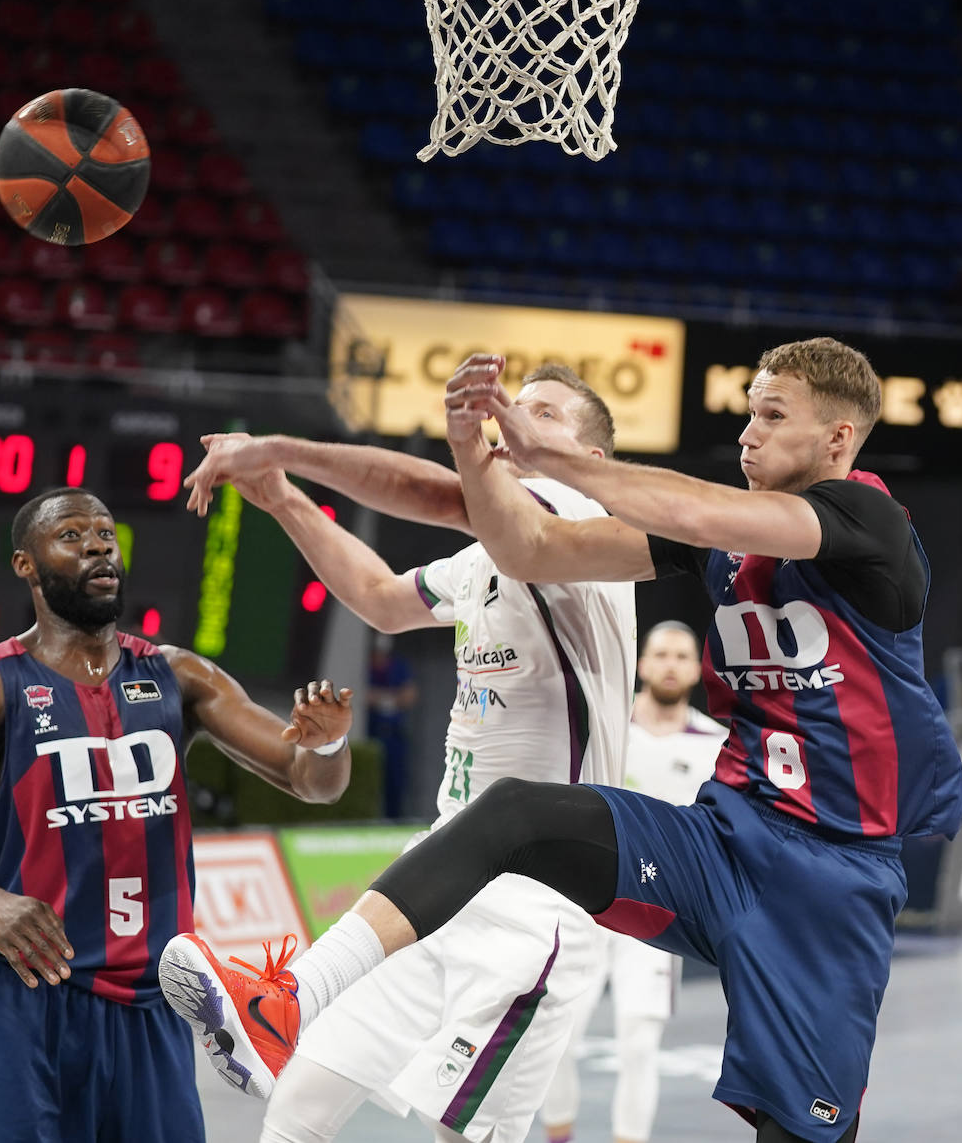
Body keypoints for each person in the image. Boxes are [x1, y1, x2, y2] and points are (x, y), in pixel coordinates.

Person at [162, 337, 962, 1143]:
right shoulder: (683, 534)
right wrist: (463, 450)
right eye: (747, 412)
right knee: (514, 813)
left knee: (803, 1132)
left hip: (830, 876)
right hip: (727, 837)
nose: (748, 432)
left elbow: (684, 507)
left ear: (837, 439)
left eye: (772, 415)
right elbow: (514, 546)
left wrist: (540, 458)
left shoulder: (868, 520)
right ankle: (290, 996)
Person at [159, 363, 637, 1143]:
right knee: (300, 1103)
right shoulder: (481, 561)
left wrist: (277, 450)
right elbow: (380, 596)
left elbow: (442, 494)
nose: (517, 422)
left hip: (535, 903)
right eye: (514, 409)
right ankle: (278, 1007)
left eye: (545, 414)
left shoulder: (578, 525)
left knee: (462, 1137)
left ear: (594, 461)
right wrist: (279, 496)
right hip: (438, 879)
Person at [0, 487, 355, 1143]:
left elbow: (311, 781)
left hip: (149, 1006)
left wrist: (326, 740)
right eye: (71, 535)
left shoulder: (177, 675)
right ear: (26, 565)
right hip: (28, 1000)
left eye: (106, 531)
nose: (98, 543)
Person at [541, 620, 728, 1143]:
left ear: (696, 669)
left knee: (639, 1044)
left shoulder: (716, 744)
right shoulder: (605, 726)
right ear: (642, 664)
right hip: (584, 903)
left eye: (682, 656)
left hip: (656, 915)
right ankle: (560, 1135)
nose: (670, 663)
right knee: (556, 1036)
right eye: (661, 653)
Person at [367, 631, 419, 818]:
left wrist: (380, 698)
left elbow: (409, 696)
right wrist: (390, 697)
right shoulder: (365, 666)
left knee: (396, 784)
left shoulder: (399, 666)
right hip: (371, 732)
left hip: (394, 735)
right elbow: (364, 696)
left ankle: (394, 821)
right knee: (371, 783)